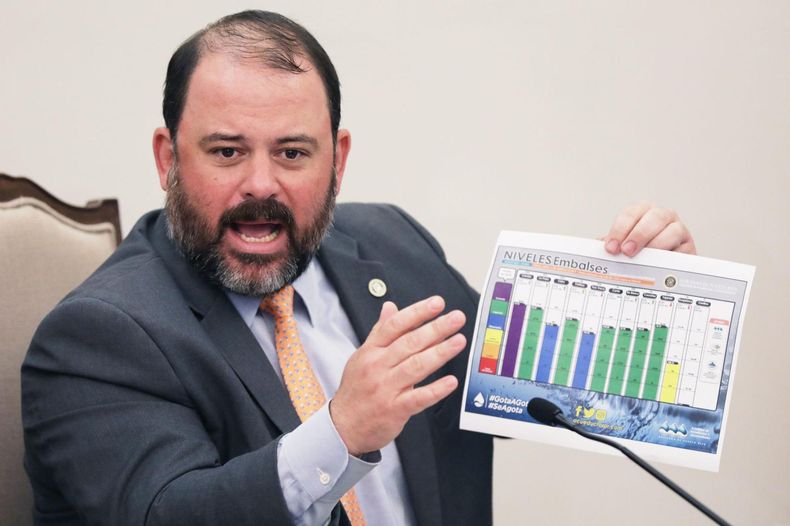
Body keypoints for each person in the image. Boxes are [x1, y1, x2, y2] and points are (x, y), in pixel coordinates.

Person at [20, 10, 696, 526]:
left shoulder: (390, 244)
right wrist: (340, 433)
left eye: (292, 153)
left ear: (338, 160)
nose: (261, 185)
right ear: (168, 159)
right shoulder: (97, 335)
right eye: (227, 152)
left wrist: (651, 299)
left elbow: (541, 388)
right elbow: (167, 513)